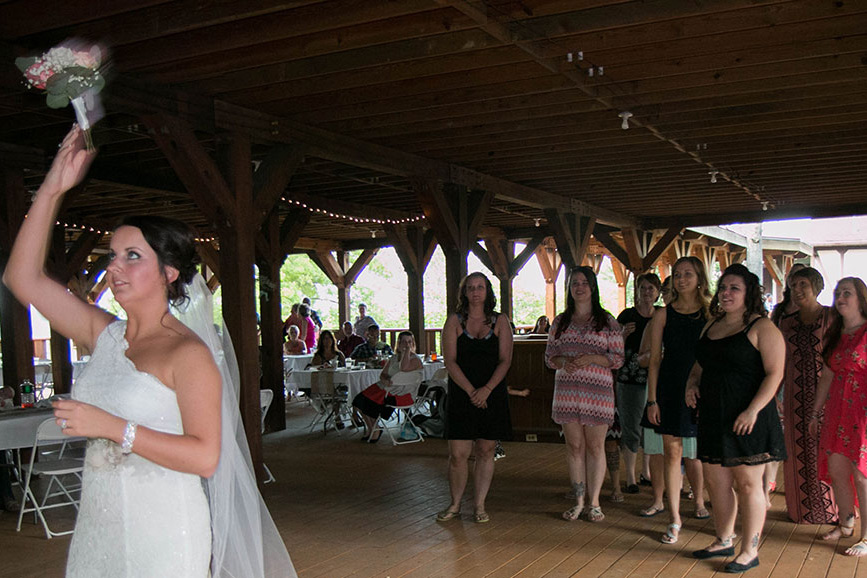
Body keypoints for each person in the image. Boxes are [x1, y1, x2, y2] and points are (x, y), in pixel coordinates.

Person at [1, 126, 294, 577]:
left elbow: (204, 456)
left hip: (164, 530)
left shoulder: (187, 353)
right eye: (113, 255)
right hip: (99, 524)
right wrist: (53, 188)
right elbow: (21, 279)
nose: (114, 266)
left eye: (132, 256)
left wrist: (111, 426)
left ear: (169, 272)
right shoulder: (105, 334)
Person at [686, 264, 786, 572]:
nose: (726, 293)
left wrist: (752, 409)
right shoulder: (710, 326)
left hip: (749, 417)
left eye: (735, 288)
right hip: (714, 415)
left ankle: (749, 550)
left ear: (749, 294)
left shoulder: (762, 327)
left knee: (747, 484)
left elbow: (775, 374)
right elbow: (701, 365)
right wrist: (691, 384)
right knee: (716, 482)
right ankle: (724, 538)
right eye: (724, 287)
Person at [546, 266, 624, 523]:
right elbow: (550, 357)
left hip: (597, 394)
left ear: (592, 287)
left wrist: (592, 357)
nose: (579, 287)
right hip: (567, 393)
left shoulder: (607, 321)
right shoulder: (560, 321)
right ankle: (579, 500)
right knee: (574, 447)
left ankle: (595, 502)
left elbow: (618, 359)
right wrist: (563, 360)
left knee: (594, 446)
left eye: (583, 282)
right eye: (574, 283)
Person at [436, 272, 513, 524]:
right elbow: (450, 361)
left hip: (492, 393)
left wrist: (487, 389)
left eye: (480, 287)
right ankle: (455, 504)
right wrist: (471, 391)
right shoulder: (454, 321)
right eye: (470, 288)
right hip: (462, 393)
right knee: (458, 453)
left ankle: (479, 505)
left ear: (487, 291)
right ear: (464, 292)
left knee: (486, 449)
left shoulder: (500, 321)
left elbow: (505, 360)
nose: (475, 292)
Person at [645, 256, 711, 544]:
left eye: (688, 274)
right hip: (670, 387)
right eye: (677, 274)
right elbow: (655, 360)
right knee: (672, 452)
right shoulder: (663, 314)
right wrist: (651, 400)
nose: (682, 279)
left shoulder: (712, 313)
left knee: (706, 454)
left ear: (700, 278)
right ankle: (674, 518)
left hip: (703, 388)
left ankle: (710, 506)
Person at [810, 277, 867, 554]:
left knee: (862, 474)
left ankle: (866, 537)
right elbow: (827, 375)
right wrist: (814, 411)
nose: (840, 297)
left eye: (847, 293)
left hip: (863, 412)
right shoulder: (835, 333)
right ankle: (845, 522)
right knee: (837, 470)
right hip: (836, 410)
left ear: (861, 299)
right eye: (838, 293)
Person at [779, 266, 838, 524]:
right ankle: (800, 510)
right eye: (794, 286)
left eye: (803, 284)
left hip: (824, 392)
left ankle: (832, 509)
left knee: (824, 449)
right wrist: (776, 394)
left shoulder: (831, 317)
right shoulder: (786, 322)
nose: (798, 290)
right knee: (796, 448)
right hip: (793, 392)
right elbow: (780, 359)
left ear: (816, 286)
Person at [764, 262, 806, 506]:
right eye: (792, 279)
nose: (795, 285)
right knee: (778, 428)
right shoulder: (779, 311)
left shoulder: (814, 312)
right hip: (780, 372)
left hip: (801, 373)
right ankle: (770, 478)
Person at [616, 273, 662, 494]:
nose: (646, 293)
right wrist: (622, 335)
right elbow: (613, 347)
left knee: (651, 427)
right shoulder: (627, 315)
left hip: (655, 379)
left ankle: (647, 472)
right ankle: (631, 477)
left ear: (658, 292)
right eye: (643, 288)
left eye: (651, 288)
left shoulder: (662, 315)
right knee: (631, 425)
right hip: (630, 378)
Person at [352, 331, 424, 443]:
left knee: (369, 401)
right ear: (399, 343)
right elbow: (383, 374)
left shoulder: (415, 360)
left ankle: (374, 429)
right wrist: (385, 380)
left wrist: (407, 352)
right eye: (404, 342)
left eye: (409, 342)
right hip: (387, 389)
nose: (406, 344)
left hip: (402, 394)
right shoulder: (394, 358)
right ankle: (373, 428)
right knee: (359, 400)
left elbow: (404, 367)